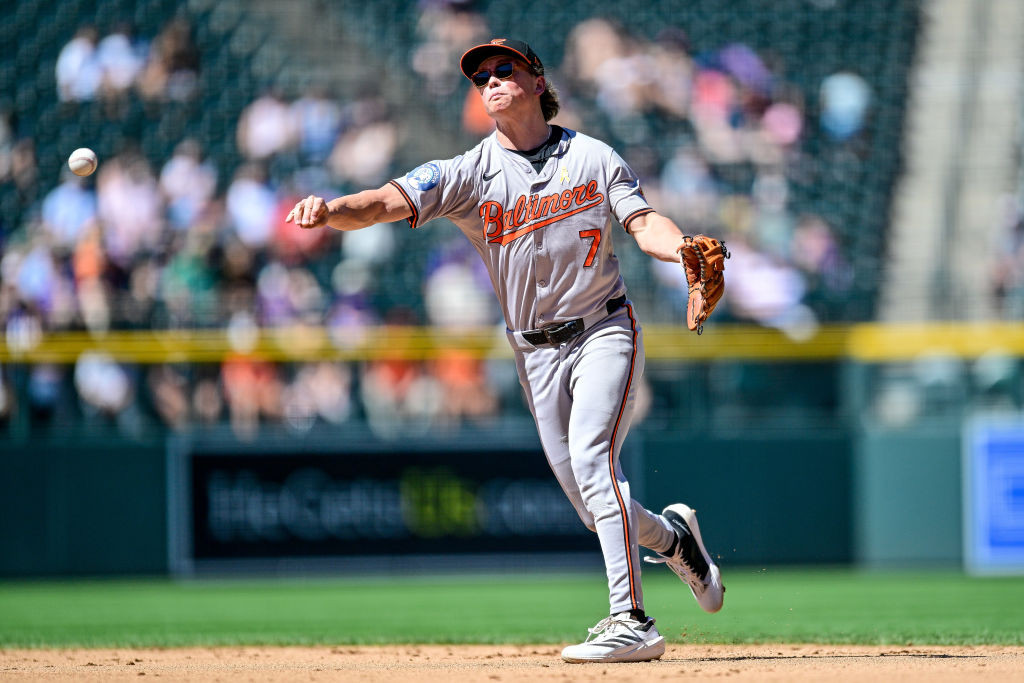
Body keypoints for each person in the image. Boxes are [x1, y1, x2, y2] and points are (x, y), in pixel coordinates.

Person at [286, 38, 724, 664]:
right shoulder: (470, 172)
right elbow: (383, 201)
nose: (489, 80)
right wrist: (330, 210)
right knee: (594, 505)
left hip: (603, 330)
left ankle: (631, 620)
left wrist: (680, 248)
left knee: (595, 462)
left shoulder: (594, 157)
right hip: (532, 353)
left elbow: (644, 223)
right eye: (480, 76)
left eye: (502, 69)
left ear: (537, 81)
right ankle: (676, 539)